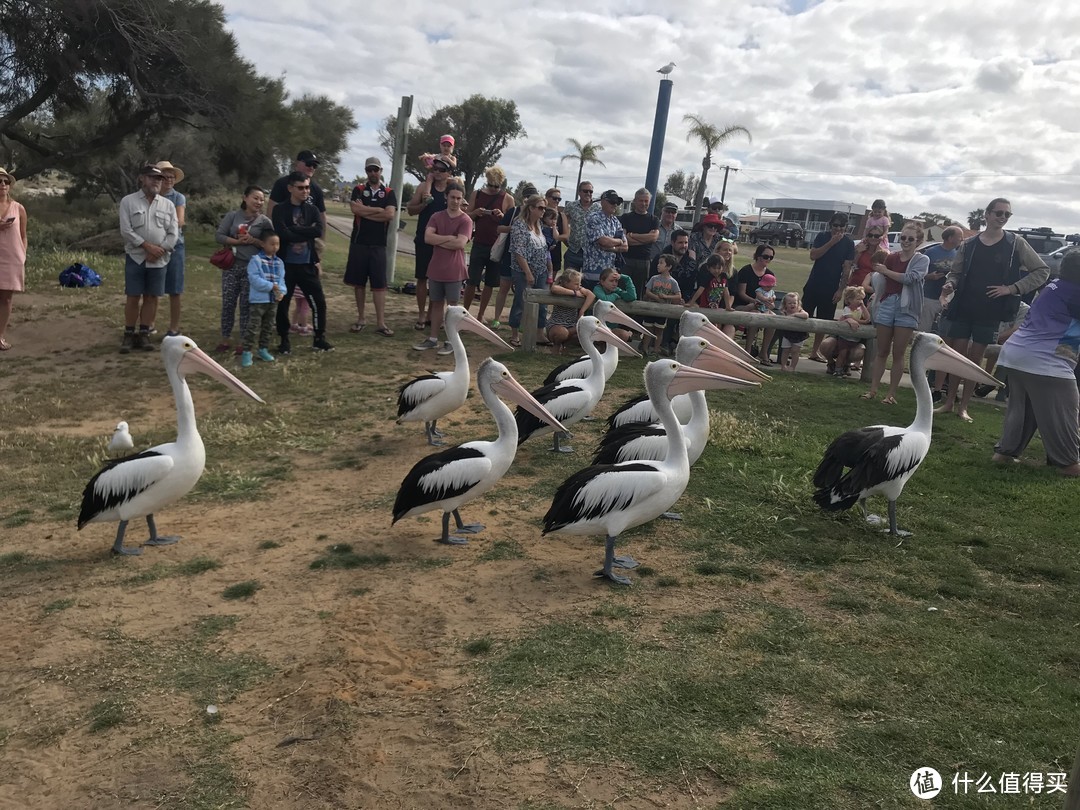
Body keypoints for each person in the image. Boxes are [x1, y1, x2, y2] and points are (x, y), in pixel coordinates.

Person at [936, 198, 1049, 422]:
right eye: (998, 213)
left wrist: (1012, 288)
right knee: (958, 357)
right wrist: (951, 284)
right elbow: (955, 273)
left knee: (974, 360)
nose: (1003, 217)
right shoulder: (969, 244)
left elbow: (1042, 271)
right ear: (986, 215)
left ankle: (964, 407)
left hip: (990, 313)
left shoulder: (1016, 243)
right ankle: (949, 402)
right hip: (963, 307)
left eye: (1007, 214)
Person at [991, 250, 1080, 477]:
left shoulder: (1055, 286)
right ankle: (1068, 463)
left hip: (1018, 354)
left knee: (1024, 409)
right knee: (1065, 410)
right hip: (1044, 359)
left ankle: (1005, 453)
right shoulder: (1075, 293)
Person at [861, 222, 929, 404]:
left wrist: (885, 271)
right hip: (888, 303)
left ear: (919, 241)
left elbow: (911, 279)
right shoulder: (891, 258)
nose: (905, 241)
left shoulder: (922, 260)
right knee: (881, 351)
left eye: (910, 239)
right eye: (903, 238)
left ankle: (891, 394)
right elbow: (881, 279)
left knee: (898, 353)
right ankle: (873, 390)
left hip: (907, 308)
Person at [118, 164, 178, 353]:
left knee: (152, 297)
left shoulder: (168, 205)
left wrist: (159, 250)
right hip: (136, 257)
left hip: (159, 259)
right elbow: (126, 230)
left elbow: (173, 232)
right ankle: (128, 334)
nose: (156, 181)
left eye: (159, 178)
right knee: (133, 296)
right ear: (141, 178)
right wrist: (147, 246)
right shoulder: (128, 201)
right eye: (152, 177)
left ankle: (144, 334)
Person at [272, 171, 332, 354]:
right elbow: (283, 234)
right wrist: (306, 230)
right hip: (286, 265)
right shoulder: (280, 209)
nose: (305, 191)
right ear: (290, 188)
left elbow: (318, 231)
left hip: (307, 264)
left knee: (319, 303)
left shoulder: (312, 210)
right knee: (283, 303)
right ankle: (284, 340)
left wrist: (295, 230)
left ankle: (319, 338)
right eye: (301, 188)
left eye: (307, 187)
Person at [268, 150, 325, 335]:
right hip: (284, 254)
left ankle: (305, 327)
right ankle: (282, 331)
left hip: (308, 255)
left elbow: (319, 225)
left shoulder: (315, 189)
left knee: (312, 296)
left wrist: (318, 249)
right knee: (283, 296)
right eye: (308, 163)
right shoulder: (281, 184)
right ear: (297, 163)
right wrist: (276, 240)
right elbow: (273, 218)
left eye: (314, 165)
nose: (311, 168)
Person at [416, 179, 473, 354]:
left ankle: (451, 341)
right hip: (436, 268)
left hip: (454, 270)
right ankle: (433, 338)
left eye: (459, 198)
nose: (455, 201)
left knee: (453, 307)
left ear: (462, 199)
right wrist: (450, 238)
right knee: (436, 303)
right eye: (452, 197)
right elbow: (427, 238)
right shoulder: (436, 216)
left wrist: (440, 239)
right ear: (446, 197)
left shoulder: (466, 220)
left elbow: (460, 244)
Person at [214, 186, 273, 354]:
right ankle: (225, 339)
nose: (259, 202)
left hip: (252, 269)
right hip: (232, 267)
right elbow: (218, 236)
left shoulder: (264, 221)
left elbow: (270, 245)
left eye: (261, 199)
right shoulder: (232, 216)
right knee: (228, 304)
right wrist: (237, 242)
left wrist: (253, 240)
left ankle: (243, 342)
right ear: (245, 198)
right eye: (255, 198)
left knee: (247, 306)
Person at [344, 156, 397, 337]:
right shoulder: (358, 189)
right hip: (359, 242)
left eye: (376, 169)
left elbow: (389, 215)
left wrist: (366, 211)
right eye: (369, 170)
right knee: (359, 283)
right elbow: (355, 209)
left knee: (379, 285)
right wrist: (377, 211)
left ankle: (381, 322)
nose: (373, 173)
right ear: (366, 172)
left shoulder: (389, 192)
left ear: (381, 171)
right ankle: (361, 318)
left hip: (378, 244)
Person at [407, 155, 452, 330]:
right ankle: (420, 315)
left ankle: (432, 314)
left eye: (442, 170)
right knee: (421, 278)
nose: (437, 172)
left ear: (448, 173)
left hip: (443, 243)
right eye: (435, 169)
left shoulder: (451, 191)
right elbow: (410, 210)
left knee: (438, 280)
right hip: (424, 239)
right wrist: (423, 205)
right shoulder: (423, 188)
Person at [463, 166, 513, 321]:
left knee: (490, 283)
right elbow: (465, 216)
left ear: (501, 184)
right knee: (472, 280)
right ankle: (465, 312)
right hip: (479, 243)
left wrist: (502, 215)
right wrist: (476, 213)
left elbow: (513, 222)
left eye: (496, 186)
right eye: (490, 185)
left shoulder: (508, 198)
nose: (492, 189)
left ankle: (481, 314)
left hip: (497, 246)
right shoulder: (477, 194)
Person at [805, 213, 856, 361]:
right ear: (830, 225)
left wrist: (841, 289)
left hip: (832, 287)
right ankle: (793, 349)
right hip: (814, 283)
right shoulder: (822, 236)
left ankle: (815, 352)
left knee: (824, 321)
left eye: (842, 226)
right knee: (803, 316)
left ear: (846, 227)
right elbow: (813, 255)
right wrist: (831, 243)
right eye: (835, 225)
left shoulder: (848, 243)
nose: (838, 229)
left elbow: (847, 268)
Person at [490, 183, 538, 329]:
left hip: (527, 259)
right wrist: (515, 228)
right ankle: (497, 318)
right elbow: (499, 228)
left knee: (522, 292)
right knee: (504, 287)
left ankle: (520, 321)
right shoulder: (513, 211)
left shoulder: (537, 216)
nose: (530, 200)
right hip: (509, 256)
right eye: (529, 197)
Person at [508, 193, 552, 348]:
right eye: (540, 208)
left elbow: (544, 248)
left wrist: (548, 269)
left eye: (544, 209)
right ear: (531, 208)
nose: (543, 211)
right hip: (523, 270)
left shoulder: (539, 225)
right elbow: (518, 251)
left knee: (542, 303)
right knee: (521, 300)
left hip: (541, 270)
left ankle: (540, 333)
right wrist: (527, 272)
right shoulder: (519, 224)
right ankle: (514, 334)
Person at [241, 233, 286, 368]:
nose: (275, 247)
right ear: (263, 244)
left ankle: (263, 349)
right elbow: (254, 279)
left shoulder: (279, 262)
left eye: (277, 244)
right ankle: (247, 352)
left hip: (273, 301)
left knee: (268, 326)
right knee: (253, 327)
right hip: (258, 301)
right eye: (272, 244)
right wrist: (271, 286)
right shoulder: (256, 260)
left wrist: (282, 292)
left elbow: (281, 279)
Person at [154, 160, 187, 336]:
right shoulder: (150, 196)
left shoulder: (178, 197)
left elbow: (180, 221)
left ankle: (173, 328)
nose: (169, 179)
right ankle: (148, 325)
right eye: (165, 176)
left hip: (175, 247)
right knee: (153, 289)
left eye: (172, 176)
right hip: (153, 247)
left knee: (175, 290)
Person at [0, 167, 27, 351]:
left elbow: (23, 235)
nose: (2, 185)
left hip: (12, 257)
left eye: (5, 182)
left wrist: (22, 255)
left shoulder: (18, 208)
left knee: (6, 298)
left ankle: (0, 336)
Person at [919, 225, 963, 333]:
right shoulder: (930, 252)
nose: (961, 239)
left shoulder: (957, 254)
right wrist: (929, 276)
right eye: (959, 237)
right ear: (950, 238)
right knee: (923, 330)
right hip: (928, 298)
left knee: (941, 332)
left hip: (947, 300)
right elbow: (917, 274)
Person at [618, 188, 659, 296]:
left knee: (639, 292)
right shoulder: (625, 218)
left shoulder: (653, 219)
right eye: (641, 200)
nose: (643, 203)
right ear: (635, 201)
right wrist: (645, 239)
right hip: (626, 260)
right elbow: (624, 240)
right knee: (622, 289)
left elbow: (654, 238)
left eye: (646, 201)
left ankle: (635, 314)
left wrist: (633, 236)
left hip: (644, 262)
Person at [582, 190, 627, 287]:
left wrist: (611, 248)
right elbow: (603, 241)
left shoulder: (616, 221)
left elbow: (625, 246)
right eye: (612, 201)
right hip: (593, 274)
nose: (615, 204)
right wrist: (618, 241)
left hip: (610, 275)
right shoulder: (594, 218)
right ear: (602, 202)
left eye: (617, 202)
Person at [824, 286, 871, 377]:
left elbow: (868, 318)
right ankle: (837, 369)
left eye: (862, 299)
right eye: (858, 299)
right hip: (844, 338)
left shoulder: (860, 309)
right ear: (849, 300)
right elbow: (851, 318)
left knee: (849, 353)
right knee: (842, 353)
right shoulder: (847, 309)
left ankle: (846, 366)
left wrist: (863, 307)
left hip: (854, 338)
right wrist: (863, 322)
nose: (860, 301)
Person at [641, 254, 683, 356]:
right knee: (648, 329)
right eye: (658, 263)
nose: (658, 265)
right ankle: (645, 349)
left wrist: (666, 297)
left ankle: (656, 350)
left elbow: (678, 296)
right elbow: (647, 291)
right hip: (651, 309)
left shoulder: (673, 282)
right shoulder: (654, 278)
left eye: (661, 263)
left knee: (659, 331)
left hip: (663, 311)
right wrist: (656, 297)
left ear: (669, 267)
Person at [546, 269, 595, 354]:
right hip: (556, 324)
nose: (579, 285)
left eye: (579, 283)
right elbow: (554, 288)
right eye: (576, 284)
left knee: (586, 330)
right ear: (566, 283)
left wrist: (582, 311)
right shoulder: (561, 288)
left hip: (571, 325)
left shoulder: (579, 289)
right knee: (562, 333)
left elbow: (591, 295)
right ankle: (557, 345)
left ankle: (567, 346)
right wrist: (574, 293)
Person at [592, 267, 637, 341]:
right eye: (611, 281)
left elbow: (631, 297)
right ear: (602, 281)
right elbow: (604, 300)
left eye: (616, 281)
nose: (614, 284)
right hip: (596, 327)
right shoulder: (597, 289)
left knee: (624, 335)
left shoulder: (616, 290)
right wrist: (615, 296)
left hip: (611, 328)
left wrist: (626, 278)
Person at [564, 180, 597, 270]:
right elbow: (564, 224)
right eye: (585, 191)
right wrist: (566, 240)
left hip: (591, 254)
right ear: (579, 192)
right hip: (573, 251)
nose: (588, 193)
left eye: (590, 191)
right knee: (569, 282)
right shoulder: (571, 206)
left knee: (587, 283)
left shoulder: (598, 208)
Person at [776, 292, 809, 371]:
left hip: (799, 335)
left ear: (798, 303)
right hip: (787, 334)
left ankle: (792, 367)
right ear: (785, 304)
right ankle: (783, 366)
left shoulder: (800, 310)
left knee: (795, 351)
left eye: (794, 303)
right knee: (785, 350)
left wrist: (795, 315)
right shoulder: (784, 312)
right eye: (789, 303)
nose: (792, 305)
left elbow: (806, 315)